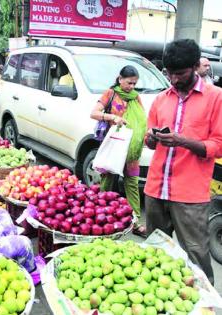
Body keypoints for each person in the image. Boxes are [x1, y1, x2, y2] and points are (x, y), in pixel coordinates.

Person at [144, 39, 222, 285]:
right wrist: (151, 139)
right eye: (169, 74)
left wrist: (183, 141)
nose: (174, 79)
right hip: (155, 189)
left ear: (196, 66)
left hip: (189, 195)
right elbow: (149, 143)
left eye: (180, 73)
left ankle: (207, 304)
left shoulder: (216, 98)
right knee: (154, 253)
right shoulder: (160, 99)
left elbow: (218, 145)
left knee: (196, 254)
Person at [90, 65, 147, 237]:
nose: (131, 87)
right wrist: (112, 117)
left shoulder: (135, 97)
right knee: (107, 181)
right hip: (113, 146)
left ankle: (135, 222)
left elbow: (142, 119)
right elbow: (94, 113)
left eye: (134, 84)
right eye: (129, 82)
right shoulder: (110, 94)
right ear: (120, 79)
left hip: (130, 149)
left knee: (132, 184)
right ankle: (99, 218)